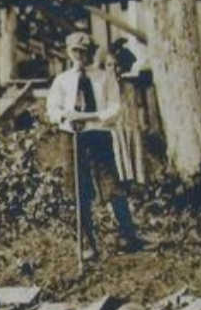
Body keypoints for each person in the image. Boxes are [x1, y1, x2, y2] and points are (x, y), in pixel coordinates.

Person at [46, 31, 146, 256]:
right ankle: (86, 241)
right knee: (78, 187)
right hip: (72, 137)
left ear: (91, 52)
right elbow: (52, 110)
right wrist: (67, 116)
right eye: (75, 51)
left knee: (110, 183)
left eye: (85, 51)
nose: (80, 56)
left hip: (98, 135)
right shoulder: (62, 80)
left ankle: (127, 235)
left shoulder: (104, 77)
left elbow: (115, 107)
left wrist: (92, 117)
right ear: (69, 52)